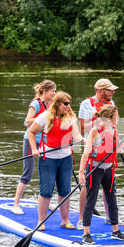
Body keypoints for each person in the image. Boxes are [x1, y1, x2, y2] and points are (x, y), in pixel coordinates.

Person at [29, 91, 84, 231]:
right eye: (66, 104)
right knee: (46, 191)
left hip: (65, 159)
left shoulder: (70, 117)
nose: (68, 106)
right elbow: (31, 132)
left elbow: (76, 134)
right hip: (48, 159)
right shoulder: (45, 116)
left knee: (65, 191)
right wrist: (34, 149)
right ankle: (41, 221)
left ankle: (65, 220)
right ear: (58, 104)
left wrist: (82, 140)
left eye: (69, 103)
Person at [78, 105, 124, 244]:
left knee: (112, 199)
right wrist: (81, 172)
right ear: (110, 117)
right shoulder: (95, 131)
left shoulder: (113, 129)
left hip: (109, 169)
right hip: (95, 169)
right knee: (91, 200)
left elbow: (118, 151)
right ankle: (86, 233)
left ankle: (116, 231)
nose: (118, 118)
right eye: (116, 116)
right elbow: (86, 153)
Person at [77, 78, 118, 229]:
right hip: (93, 147)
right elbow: (81, 128)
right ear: (100, 91)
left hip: (108, 148)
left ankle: (110, 218)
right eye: (110, 90)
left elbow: (114, 124)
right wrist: (96, 121)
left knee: (110, 186)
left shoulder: (111, 104)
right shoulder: (86, 104)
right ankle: (81, 218)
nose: (113, 92)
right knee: (87, 186)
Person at [12, 80, 56, 214]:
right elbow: (27, 122)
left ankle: (46, 202)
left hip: (45, 142)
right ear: (45, 91)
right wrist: (43, 117)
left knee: (47, 173)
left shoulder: (52, 104)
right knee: (28, 174)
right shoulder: (35, 104)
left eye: (55, 91)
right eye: (52, 91)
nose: (54, 93)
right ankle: (16, 204)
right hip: (31, 141)